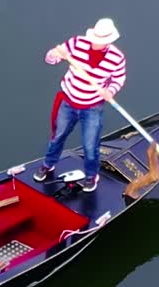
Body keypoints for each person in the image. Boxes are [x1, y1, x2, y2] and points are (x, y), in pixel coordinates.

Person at [33, 18, 127, 193]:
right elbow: (50, 59)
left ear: (108, 41)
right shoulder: (76, 43)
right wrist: (54, 55)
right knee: (58, 135)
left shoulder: (117, 57)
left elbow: (119, 78)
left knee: (90, 145)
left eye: (101, 41)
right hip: (68, 101)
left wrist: (111, 91)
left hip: (92, 107)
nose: (96, 43)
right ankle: (48, 164)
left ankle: (91, 176)